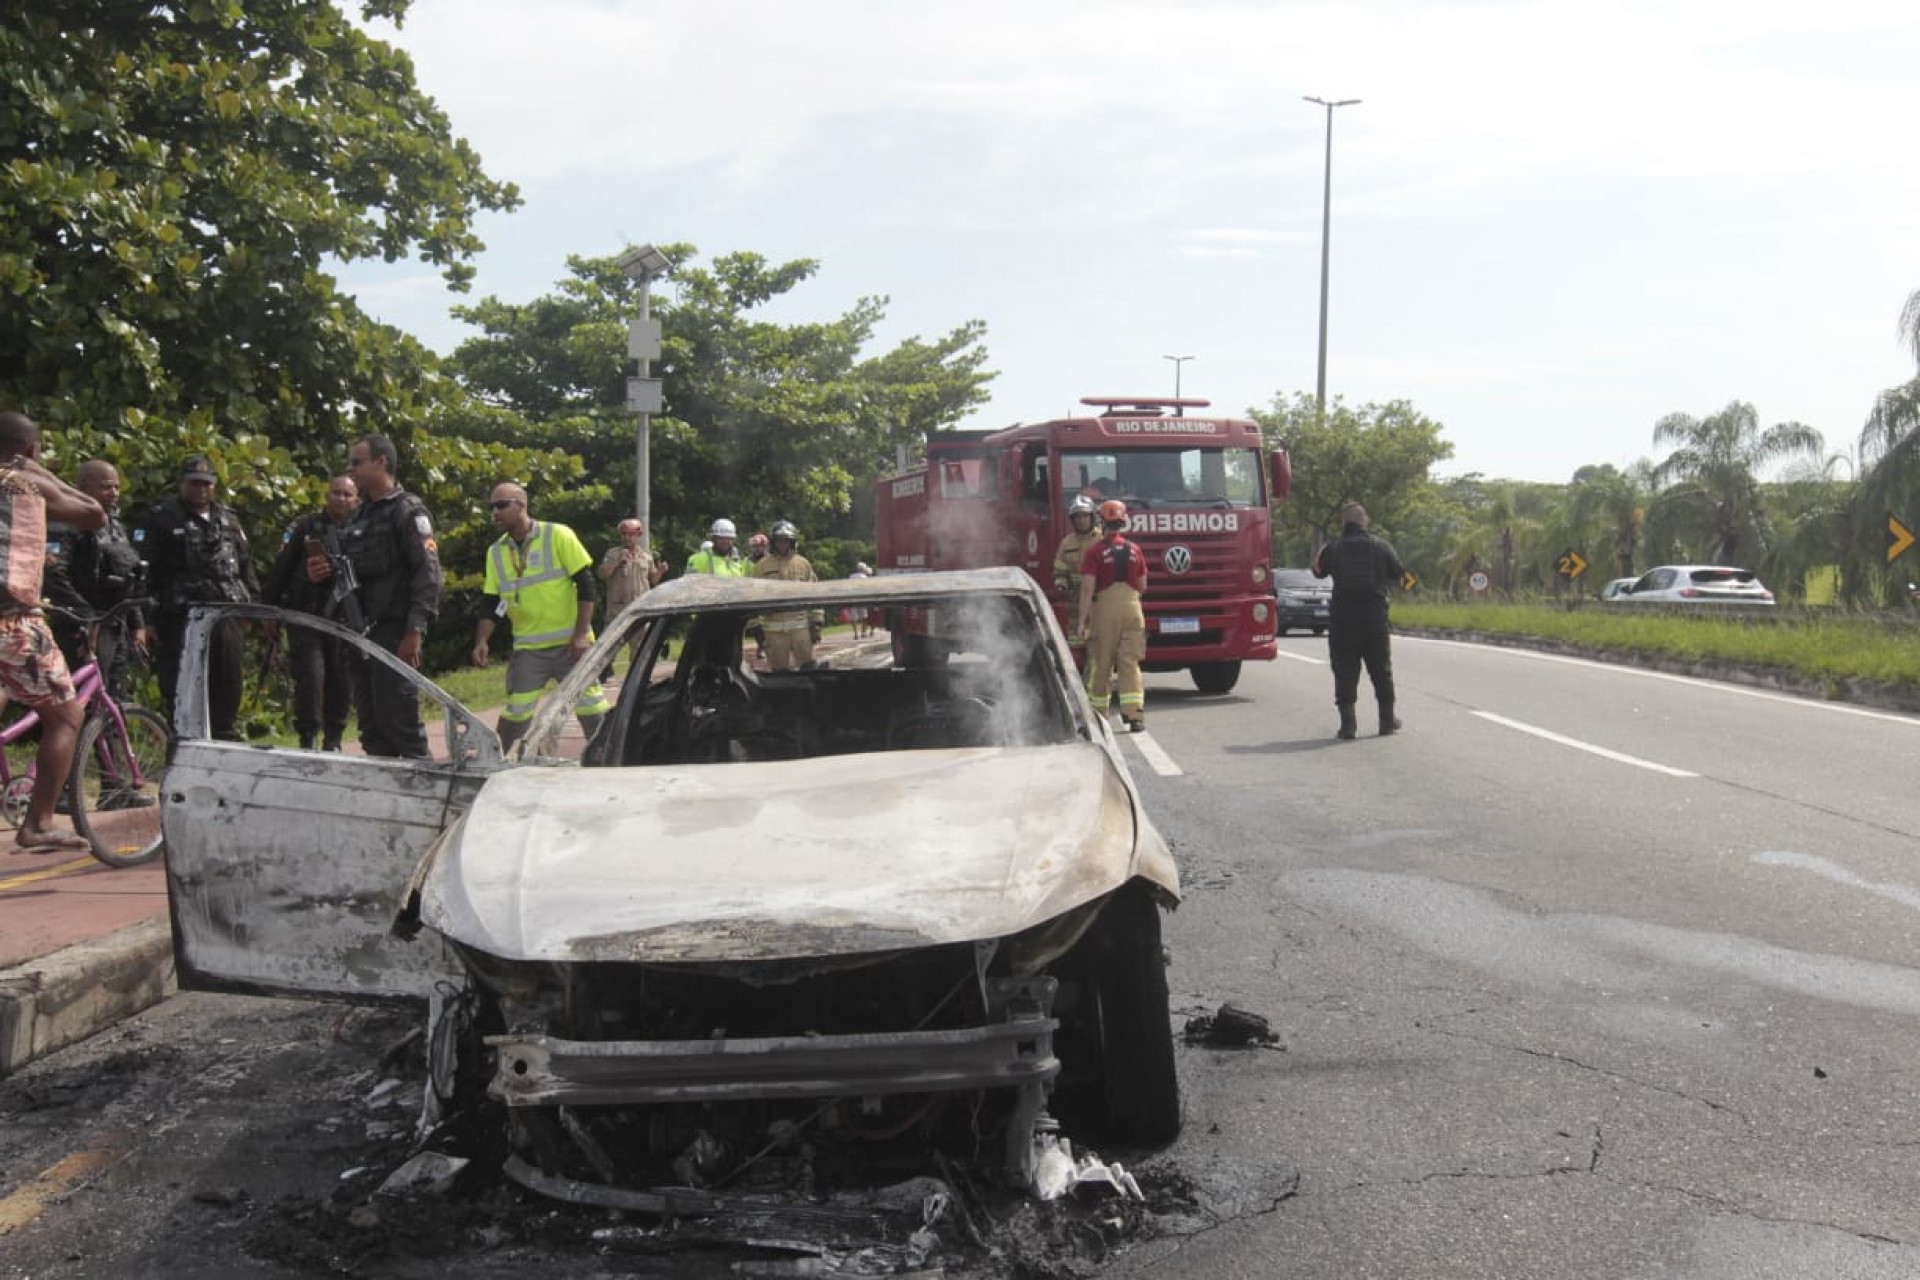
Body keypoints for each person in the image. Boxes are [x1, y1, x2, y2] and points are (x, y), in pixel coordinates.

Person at [0, 411, 107, 854]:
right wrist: (38, 470)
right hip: (12, 618)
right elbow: (94, 514)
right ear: (30, 449)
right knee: (66, 717)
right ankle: (39, 823)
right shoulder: (22, 481)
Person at [319, 434, 442, 758]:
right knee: (371, 726)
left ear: (381, 462)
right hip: (359, 631)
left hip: (394, 630)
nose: (351, 469)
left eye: (357, 462)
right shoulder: (359, 516)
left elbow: (427, 574)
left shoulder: (407, 510)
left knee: (399, 719)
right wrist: (322, 571)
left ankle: (427, 793)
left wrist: (415, 630)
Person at [471, 483, 611, 753]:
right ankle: (502, 765)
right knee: (516, 712)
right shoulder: (496, 552)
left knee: (590, 705)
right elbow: (492, 602)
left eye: (501, 505)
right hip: (528, 649)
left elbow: (587, 586)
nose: (494, 513)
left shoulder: (557, 534)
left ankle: (611, 757)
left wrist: (581, 635)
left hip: (571, 645)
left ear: (522, 505)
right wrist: (482, 641)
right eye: (492, 507)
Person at [135, 454, 259, 741]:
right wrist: (146, 619)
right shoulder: (160, 518)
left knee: (227, 673)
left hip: (226, 609)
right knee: (182, 676)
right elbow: (144, 572)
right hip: (180, 613)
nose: (201, 489)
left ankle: (223, 731)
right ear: (182, 484)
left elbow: (245, 564)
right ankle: (182, 733)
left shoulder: (227, 518)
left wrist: (253, 608)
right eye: (195, 483)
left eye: (207, 484)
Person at [261, 475, 359, 749]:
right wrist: (270, 611)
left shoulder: (362, 528)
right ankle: (308, 738)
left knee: (341, 680)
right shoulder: (305, 526)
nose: (341, 499)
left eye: (347, 495)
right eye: (336, 493)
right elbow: (281, 568)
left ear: (356, 499)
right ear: (326, 496)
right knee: (310, 678)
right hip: (307, 617)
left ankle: (334, 739)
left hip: (345, 619)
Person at [43, 459, 149, 704]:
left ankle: (112, 741)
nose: (113, 493)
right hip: (83, 623)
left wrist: (137, 623)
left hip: (115, 622)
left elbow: (129, 577)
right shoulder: (65, 523)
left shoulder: (115, 527)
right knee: (81, 697)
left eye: (116, 487)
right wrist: (85, 614)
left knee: (114, 694)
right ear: (82, 487)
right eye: (105, 487)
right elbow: (53, 574)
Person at [1311, 501, 1407, 739]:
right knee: (1381, 670)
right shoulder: (1382, 546)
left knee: (1344, 671)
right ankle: (1387, 721)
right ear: (1365, 521)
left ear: (1344, 522)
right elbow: (1403, 577)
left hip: (1343, 621)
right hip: (1374, 619)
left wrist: (1323, 548)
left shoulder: (1334, 548)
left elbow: (1316, 571)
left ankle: (1348, 725)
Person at [1077, 499, 1148, 733]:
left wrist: (1081, 621)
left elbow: (1088, 588)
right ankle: (1135, 715)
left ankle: (1099, 715)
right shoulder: (1135, 550)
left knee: (1101, 663)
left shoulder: (1094, 552)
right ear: (1122, 521)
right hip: (1132, 608)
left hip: (1105, 611)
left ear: (1101, 521)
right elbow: (1142, 585)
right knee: (1130, 662)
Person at [597, 517, 663, 676]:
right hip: (617, 609)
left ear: (638, 535)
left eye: (631, 534)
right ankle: (604, 672)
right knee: (610, 644)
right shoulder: (613, 554)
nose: (627, 537)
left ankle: (637, 676)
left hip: (640, 608)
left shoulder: (646, 556)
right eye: (624, 534)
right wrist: (618, 562)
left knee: (639, 647)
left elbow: (652, 579)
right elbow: (603, 574)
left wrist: (660, 571)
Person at [751, 520, 820, 671]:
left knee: (809, 669)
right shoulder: (762, 566)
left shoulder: (803, 564)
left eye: (786, 540)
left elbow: (815, 593)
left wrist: (817, 622)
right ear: (773, 542)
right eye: (779, 540)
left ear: (792, 542)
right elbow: (753, 596)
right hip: (773, 631)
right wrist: (756, 627)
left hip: (800, 629)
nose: (782, 544)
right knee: (779, 673)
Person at [1052, 495, 1101, 646]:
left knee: (1098, 644)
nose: (1081, 520)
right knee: (1075, 642)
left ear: (1092, 517)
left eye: (1085, 516)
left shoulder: (1102, 539)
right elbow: (1059, 570)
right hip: (1075, 601)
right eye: (1077, 517)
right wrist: (1061, 584)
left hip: (1098, 600)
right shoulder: (1067, 543)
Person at [685, 518, 749, 576]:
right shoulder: (698, 559)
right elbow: (690, 583)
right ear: (713, 538)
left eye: (729, 538)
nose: (725, 541)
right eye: (721, 538)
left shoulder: (738, 561)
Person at [847, 561, 874, 638]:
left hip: (853, 598)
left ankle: (855, 634)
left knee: (854, 617)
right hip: (862, 598)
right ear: (863, 569)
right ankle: (863, 632)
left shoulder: (851, 576)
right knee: (864, 616)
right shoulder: (864, 577)